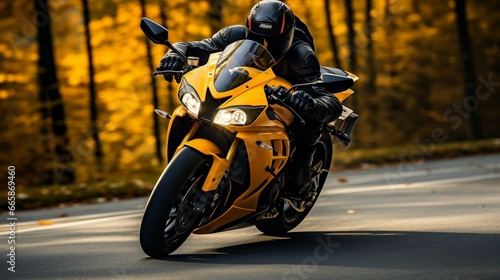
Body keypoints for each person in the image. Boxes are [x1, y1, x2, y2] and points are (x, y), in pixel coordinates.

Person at [157, 0, 342, 204]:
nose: (265, 44)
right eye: (257, 37)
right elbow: (197, 47)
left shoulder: (302, 56)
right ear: (248, 28)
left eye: (272, 40)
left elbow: (329, 100)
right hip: (243, 86)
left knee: (307, 119)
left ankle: (301, 167)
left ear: (287, 36)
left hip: (285, 91)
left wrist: (309, 102)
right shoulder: (233, 35)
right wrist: (174, 54)